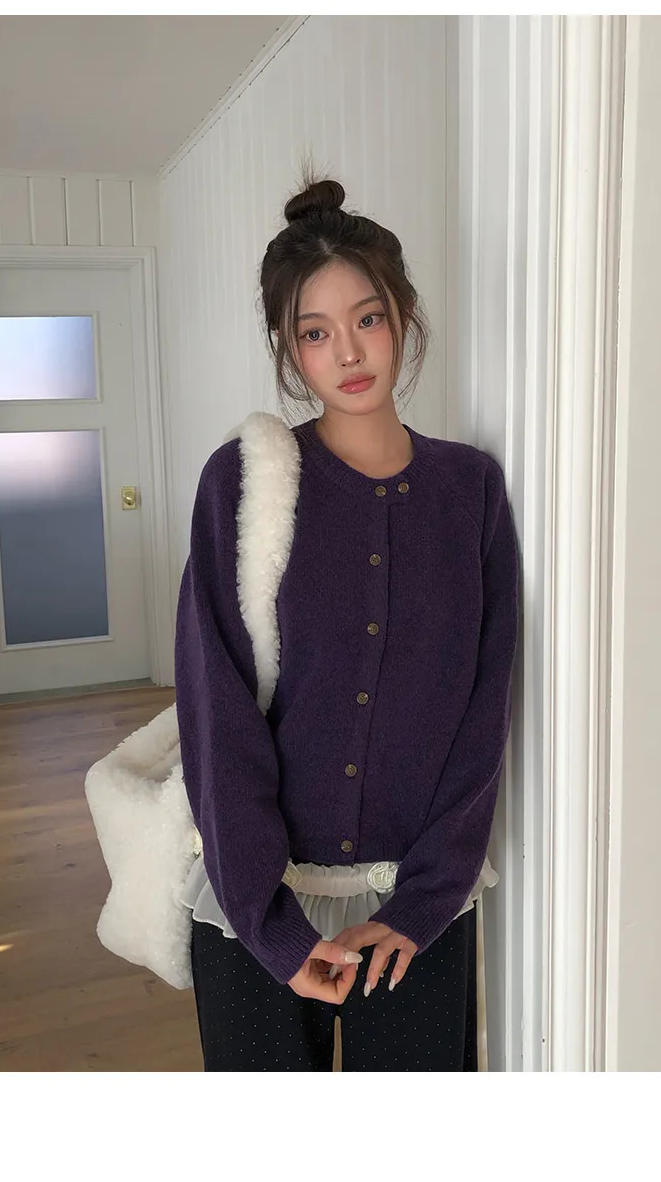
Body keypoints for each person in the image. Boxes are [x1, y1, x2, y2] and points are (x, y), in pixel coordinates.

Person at [176, 170, 520, 1064]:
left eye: (367, 317)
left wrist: (423, 902)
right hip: (258, 909)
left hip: (414, 919)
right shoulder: (243, 481)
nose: (349, 352)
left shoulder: (470, 490)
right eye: (315, 331)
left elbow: (484, 709)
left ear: (403, 314)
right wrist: (272, 926)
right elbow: (217, 711)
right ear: (288, 349)